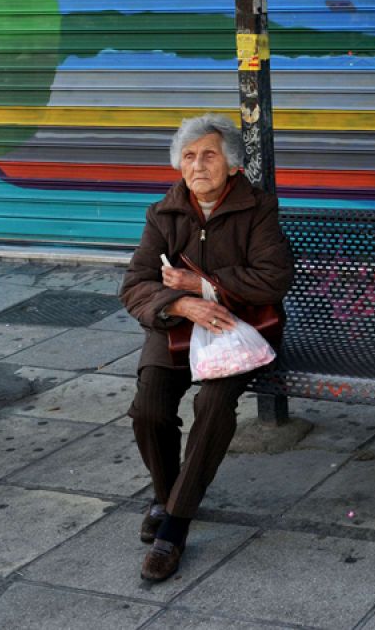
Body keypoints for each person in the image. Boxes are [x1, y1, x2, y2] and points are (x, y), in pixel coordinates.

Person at [119, 114, 292, 582]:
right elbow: (135, 286)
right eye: (189, 156)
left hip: (236, 329)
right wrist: (182, 303)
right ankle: (165, 494)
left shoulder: (258, 209)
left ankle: (173, 526)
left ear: (233, 165)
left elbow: (274, 278)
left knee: (213, 404)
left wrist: (205, 285)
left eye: (209, 155)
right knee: (148, 409)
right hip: (176, 327)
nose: (198, 165)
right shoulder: (164, 212)